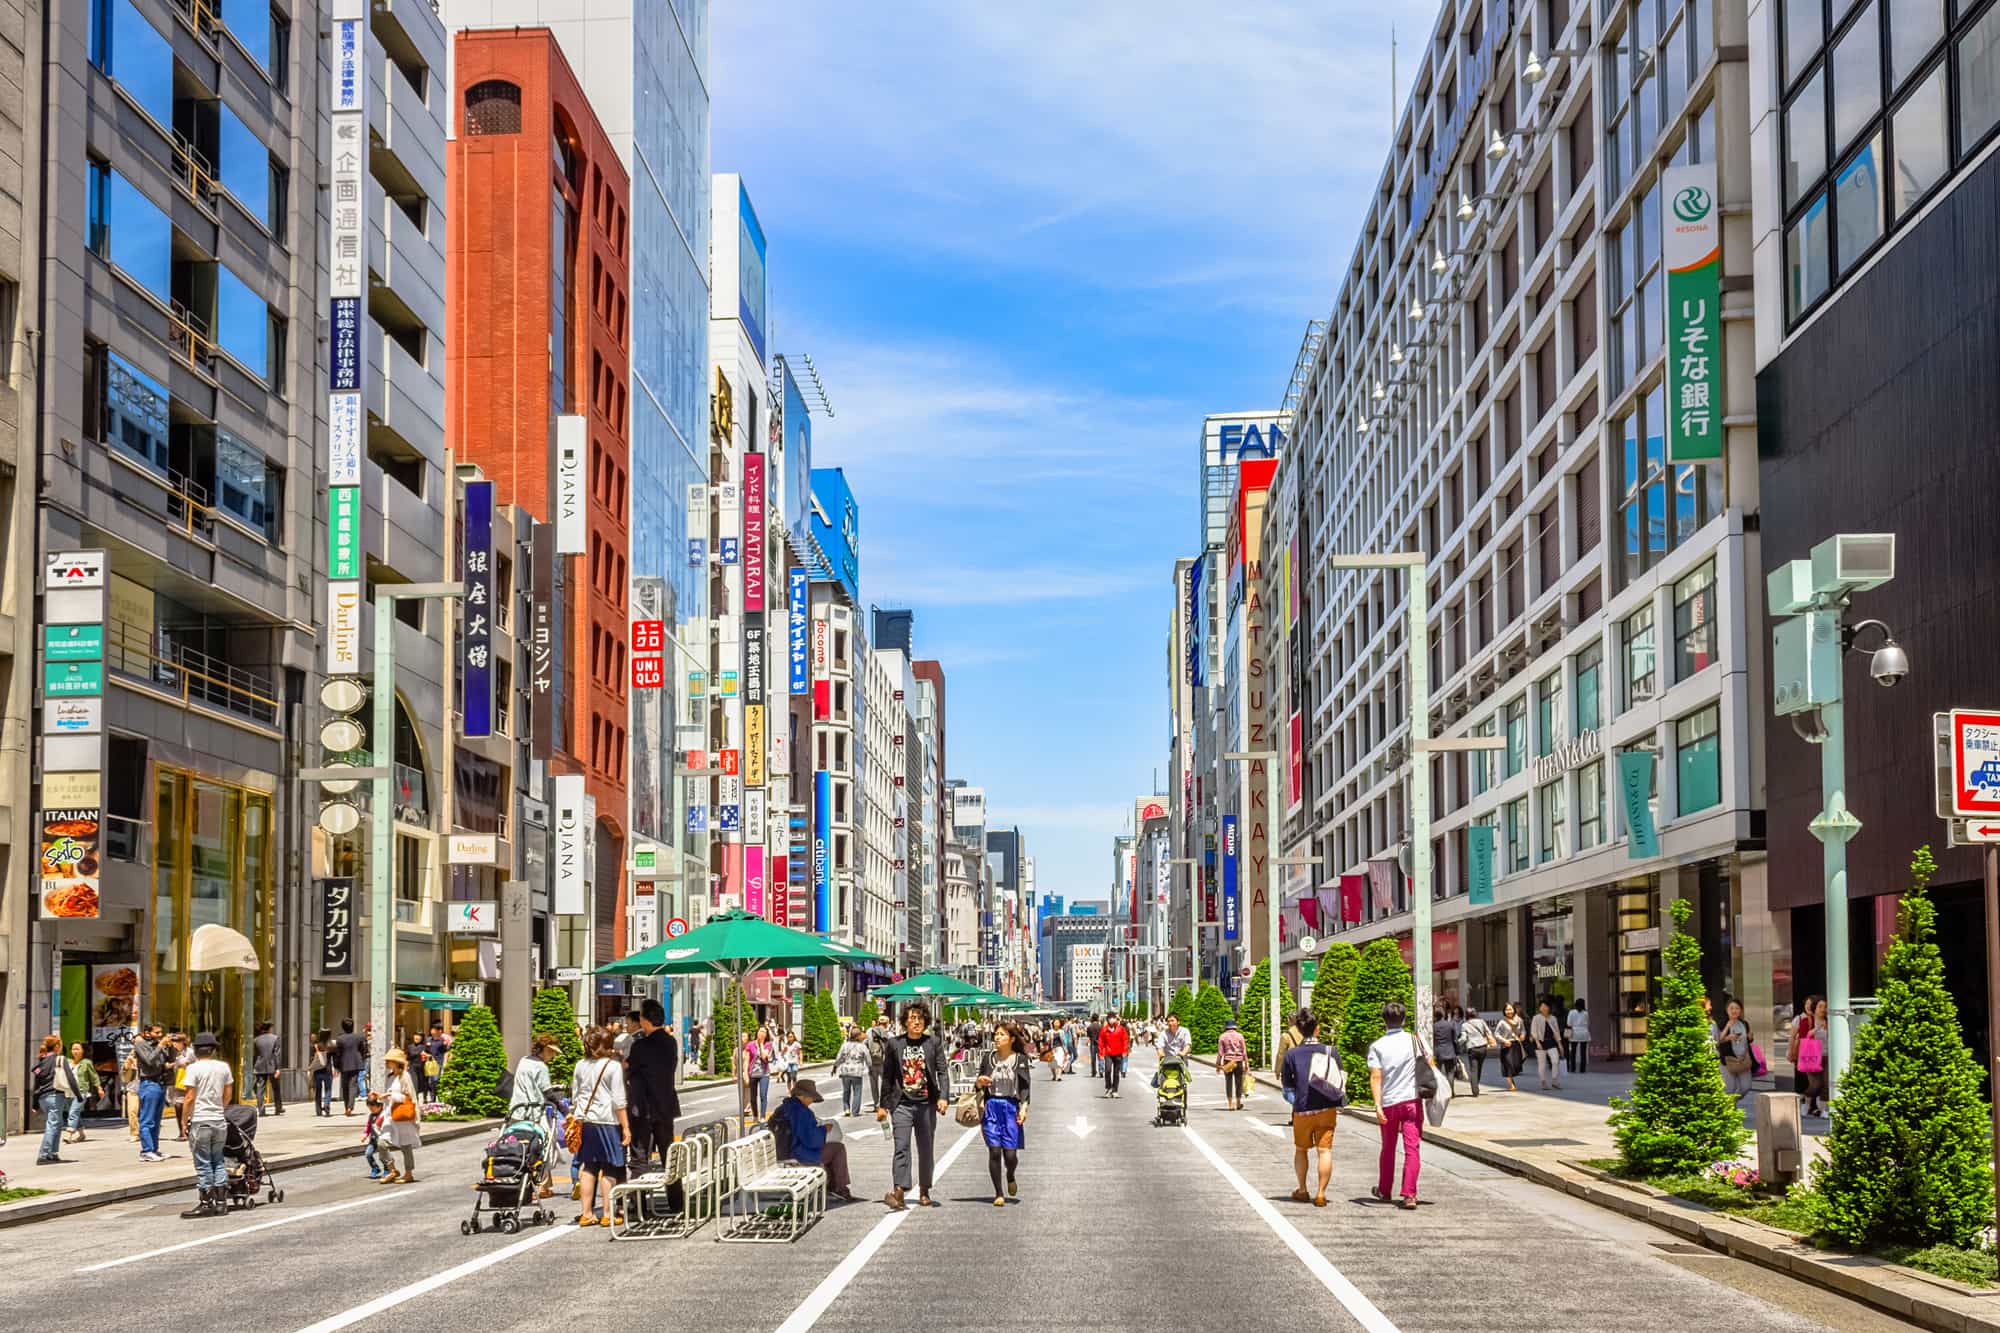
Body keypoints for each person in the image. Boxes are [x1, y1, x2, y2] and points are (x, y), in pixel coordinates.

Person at [875, 1003, 949, 1211]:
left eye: (920, 1019)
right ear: (905, 1022)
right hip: (902, 1104)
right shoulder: (895, 1044)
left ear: (925, 1021)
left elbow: (942, 1072)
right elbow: (888, 1077)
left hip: (926, 1104)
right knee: (901, 1147)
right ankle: (899, 1191)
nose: (916, 1022)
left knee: (926, 1149)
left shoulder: (933, 1042)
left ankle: (924, 1189)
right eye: (912, 1018)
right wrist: (883, 1105)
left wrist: (943, 1096)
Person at [1367, 1002, 1430, 1210]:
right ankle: (1409, 1194)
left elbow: (1376, 1076)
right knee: (1412, 1148)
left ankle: (1385, 1190)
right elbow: (1430, 1065)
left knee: (1388, 1147)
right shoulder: (1415, 1041)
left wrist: (1377, 1104)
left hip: (1388, 1103)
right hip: (1412, 1101)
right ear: (1403, 1019)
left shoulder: (1378, 1045)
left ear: (1383, 1020)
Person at [1280, 1010, 1343, 1206]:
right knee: (1325, 1151)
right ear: (1318, 1029)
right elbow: (1339, 1076)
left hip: (1303, 1109)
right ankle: (1321, 1193)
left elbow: (1287, 1085)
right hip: (1327, 1107)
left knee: (1301, 1149)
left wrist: (1296, 1101)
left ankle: (1302, 1189)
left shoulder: (1291, 1054)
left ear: (1298, 1029)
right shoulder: (1331, 1051)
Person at [570, 1026, 630, 1225]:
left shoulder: (580, 1065)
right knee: (610, 1167)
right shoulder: (612, 1067)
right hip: (607, 1122)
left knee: (589, 1167)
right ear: (605, 1045)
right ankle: (607, 1212)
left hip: (585, 1121)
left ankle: (586, 1213)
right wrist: (626, 1127)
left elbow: (575, 1096)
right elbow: (619, 1101)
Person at [977, 1021, 1032, 1207]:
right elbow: (978, 1084)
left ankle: (1010, 1174)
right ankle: (998, 1192)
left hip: (1011, 1107)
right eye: (996, 1034)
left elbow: (1025, 1087)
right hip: (991, 1106)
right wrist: (979, 1082)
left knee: (1010, 1155)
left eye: (1002, 1035)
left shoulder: (1020, 1060)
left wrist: (1024, 1107)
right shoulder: (988, 1058)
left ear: (1012, 1039)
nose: (997, 1038)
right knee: (994, 1151)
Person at [625, 998, 680, 1183]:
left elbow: (629, 1069)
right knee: (669, 1156)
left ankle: (636, 1204)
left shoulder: (640, 1046)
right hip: (666, 1105)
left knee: (640, 1158)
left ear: (645, 1020)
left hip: (643, 1107)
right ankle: (676, 1200)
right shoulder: (670, 1043)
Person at [770, 1079, 855, 1200]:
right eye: (810, 1097)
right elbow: (811, 1140)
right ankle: (839, 1187)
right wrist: (824, 1129)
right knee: (837, 1148)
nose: (812, 1101)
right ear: (802, 1096)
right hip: (798, 1153)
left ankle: (831, 1184)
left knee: (830, 1148)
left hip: (781, 1150)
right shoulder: (802, 1112)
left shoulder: (784, 1108)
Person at [179, 1032, 233, 1217]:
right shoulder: (223, 1067)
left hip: (201, 1120)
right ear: (213, 1050)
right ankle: (221, 1202)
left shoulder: (193, 1069)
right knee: (218, 1160)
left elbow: (189, 1097)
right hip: (218, 1120)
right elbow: (228, 1093)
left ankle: (205, 1201)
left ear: (195, 1050)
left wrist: (184, 1119)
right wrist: (220, 1108)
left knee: (202, 1163)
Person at [377, 1047, 423, 1184]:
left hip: (403, 1117)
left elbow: (408, 1097)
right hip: (391, 1115)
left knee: (405, 1146)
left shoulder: (405, 1076)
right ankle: (392, 1169)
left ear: (396, 1062)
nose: (386, 1063)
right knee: (381, 1143)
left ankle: (409, 1173)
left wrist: (391, 1095)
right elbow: (390, 1096)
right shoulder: (391, 1077)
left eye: (389, 1061)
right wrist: (382, 1098)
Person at [31, 1034, 77, 1165]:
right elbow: (70, 1078)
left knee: (57, 1124)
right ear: (57, 1046)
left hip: (43, 1098)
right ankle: (44, 1155)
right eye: (60, 1044)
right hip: (55, 1096)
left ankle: (53, 1153)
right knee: (53, 1124)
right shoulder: (60, 1059)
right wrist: (78, 1095)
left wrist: (35, 1104)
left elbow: (36, 1084)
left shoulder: (42, 1061)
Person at [133, 1023, 171, 1161]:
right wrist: (161, 1046)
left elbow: (168, 1060)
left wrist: (170, 1047)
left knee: (156, 1119)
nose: (160, 1035)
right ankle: (146, 1151)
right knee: (147, 1119)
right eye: (157, 1033)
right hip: (148, 1083)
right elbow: (149, 1060)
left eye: (161, 1033)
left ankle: (154, 1149)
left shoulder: (158, 1046)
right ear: (147, 1033)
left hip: (160, 1083)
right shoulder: (141, 1045)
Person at [63, 1041, 101, 1142]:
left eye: (77, 1049)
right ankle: (81, 1134)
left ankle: (69, 1133)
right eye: (73, 1049)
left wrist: (99, 1088)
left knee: (73, 1111)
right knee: (76, 1113)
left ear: (82, 1051)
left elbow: (93, 1076)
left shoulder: (86, 1063)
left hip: (81, 1091)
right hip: (69, 1091)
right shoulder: (67, 1062)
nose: (75, 1051)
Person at [1797, 997, 1829, 1117]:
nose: (1823, 1009)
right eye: (1820, 1006)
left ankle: (1824, 1110)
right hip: (1812, 1056)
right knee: (1815, 1084)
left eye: (1825, 1007)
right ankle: (1805, 1101)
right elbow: (1803, 1038)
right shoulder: (1807, 1021)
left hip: (1827, 1056)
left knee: (1826, 1083)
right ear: (1814, 1008)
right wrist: (1816, 1029)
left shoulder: (1830, 1020)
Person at [1719, 998, 1755, 1100]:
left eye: (1737, 1008)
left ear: (1741, 1010)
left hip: (1742, 1060)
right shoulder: (1722, 1023)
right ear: (1727, 1010)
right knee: (1730, 1089)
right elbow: (1718, 1040)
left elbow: (1746, 1041)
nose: (1734, 1010)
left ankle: (1732, 1102)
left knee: (1746, 1087)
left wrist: (1750, 1038)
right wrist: (1727, 1033)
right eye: (1731, 1008)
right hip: (1727, 1060)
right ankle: (1729, 1111)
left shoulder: (1744, 1024)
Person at [331, 1018, 368, 1115]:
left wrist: (336, 1066)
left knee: (345, 1086)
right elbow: (363, 1050)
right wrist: (361, 1059)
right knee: (353, 1085)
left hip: (344, 1065)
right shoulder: (359, 1037)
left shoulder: (340, 1039)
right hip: (355, 1064)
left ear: (343, 1027)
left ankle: (347, 1106)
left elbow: (337, 1054)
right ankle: (350, 1107)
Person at [835, 1025, 871, 1116]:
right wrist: (870, 1067)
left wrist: (835, 1067)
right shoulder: (862, 1047)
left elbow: (839, 1057)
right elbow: (868, 1059)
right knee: (857, 1092)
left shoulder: (845, 1045)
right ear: (858, 1036)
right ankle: (855, 1112)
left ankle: (846, 1109)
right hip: (857, 1071)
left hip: (845, 1071)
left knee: (846, 1091)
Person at [1457, 1007, 1493, 1098]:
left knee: (1474, 1069)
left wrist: (1458, 1043)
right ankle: (1476, 1084)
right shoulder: (1481, 1022)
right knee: (1479, 1068)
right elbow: (1488, 1032)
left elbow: (1464, 1038)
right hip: (1483, 1047)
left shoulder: (1464, 1025)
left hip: (1472, 1048)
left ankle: (1475, 1090)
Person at [1530, 1000, 1566, 1090]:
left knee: (1555, 1060)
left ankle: (1554, 1080)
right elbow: (1533, 1032)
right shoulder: (1536, 1018)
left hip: (1551, 1042)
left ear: (1549, 1008)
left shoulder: (1553, 1018)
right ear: (1539, 1008)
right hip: (1540, 1042)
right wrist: (1537, 1043)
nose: (1544, 1008)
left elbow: (1556, 1032)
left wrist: (1560, 1044)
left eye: (1546, 1006)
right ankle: (1543, 1081)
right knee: (1542, 1063)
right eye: (1542, 1006)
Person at [741, 1026, 775, 1120]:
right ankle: (755, 1115)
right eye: (760, 1031)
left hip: (764, 1073)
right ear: (757, 1032)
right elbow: (746, 1061)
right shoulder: (750, 1045)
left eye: (764, 1032)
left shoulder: (768, 1044)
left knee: (763, 1095)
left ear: (766, 1034)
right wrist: (745, 1074)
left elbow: (764, 1057)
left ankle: (763, 1117)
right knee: (752, 1097)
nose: (762, 1033)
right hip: (753, 1073)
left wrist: (760, 1044)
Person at [251, 1021, 283, 1116]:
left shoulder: (256, 1040)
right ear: (269, 1029)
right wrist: (278, 1068)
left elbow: (255, 1055)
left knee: (260, 1089)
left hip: (259, 1066)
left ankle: (261, 1110)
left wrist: (254, 1067)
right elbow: (276, 1055)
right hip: (272, 1066)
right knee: (276, 1088)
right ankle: (278, 1108)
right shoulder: (275, 1038)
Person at [1495, 1001, 1527, 1092]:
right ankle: (1511, 1084)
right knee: (1508, 1064)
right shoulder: (1502, 1022)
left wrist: (1523, 1035)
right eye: (1507, 1010)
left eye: (1510, 1009)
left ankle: (1512, 1076)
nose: (1509, 1011)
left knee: (1516, 1065)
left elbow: (1523, 1030)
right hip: (1506, 1045)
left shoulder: (1519, 1020)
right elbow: (1496, 1034)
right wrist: (1504, 1040)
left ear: (1514, 1010)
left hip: (1516, 1044)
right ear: (1504, 1011)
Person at [1216, 1019, 1249, 1110]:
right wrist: (1246, 1064)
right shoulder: (1240, 1036)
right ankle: (1238, 1102)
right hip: (1238, 1061)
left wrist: (1218, 1065)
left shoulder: (1222, 1037)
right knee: (1239, 1083)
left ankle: (1230, 1104)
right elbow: (1244, 1051)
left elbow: (1220, 1053)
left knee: (1228, 1082)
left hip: (1228, 1061)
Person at [1431, 1005, 1462, 1096]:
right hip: (1450, 1051)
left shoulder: (1433, 1026)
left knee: (1438, 1073)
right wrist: (1457, 1052)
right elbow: (1455, 1040)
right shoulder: (1450, 1025)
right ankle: (1451, 1091)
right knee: (1450, 1073)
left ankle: (1439, 1092)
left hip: (1437, 1052)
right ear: (1443, 1014)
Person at [1097, 1012, 1130, 1098]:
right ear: (1107, 1019)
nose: (1112, 1020)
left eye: (1113, 1018)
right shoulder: (1104, 1030)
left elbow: (1125, 1040)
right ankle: (1108, 1088)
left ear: (1115, 1019)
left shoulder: (1121, 1029)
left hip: (1118, 1053)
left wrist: (1125, 1051)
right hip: (1108, 1053)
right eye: (1110, 1018)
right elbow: (1101, 1042)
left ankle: (1115, 1090)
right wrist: (1101, 1053)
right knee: (1107, 1070)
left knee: (1116, 1073)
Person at [866, 1013, 892, 1109]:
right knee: (886, 1083)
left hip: (872, 1061)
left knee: (874, 1084)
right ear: (887, 1023)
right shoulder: (889, 1034)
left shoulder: (869, 1032)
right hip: (884, 1062)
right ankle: (885, 1103)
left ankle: (876, 1104)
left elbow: (865, 1044)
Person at [361, 1093, 389, 1179]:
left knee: (383, 1156)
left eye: (373, 1108)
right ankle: (375, 1168)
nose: (371, 1110)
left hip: (381, 1139)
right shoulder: (371, 1116)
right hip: (373, 1139)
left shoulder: (383, 1115)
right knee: (368, 1154)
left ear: (380, 1106)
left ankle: (387, 1169)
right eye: (369, 1108)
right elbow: (369, 1126)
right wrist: (365, 1134)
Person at [309, 1032, 333, 1116]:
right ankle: (326, 1105)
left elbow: (311, 1059)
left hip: (317, 1071)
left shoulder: (315, 1046)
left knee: (318, 1091)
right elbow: (335, 1057)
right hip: (327, 1070)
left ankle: (318, 1110)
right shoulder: (330, 1045)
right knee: (328, 1089)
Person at [1565, 999, 1591, 1075]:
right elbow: (1588, 1023)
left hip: (1574, 1032)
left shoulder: (1571, 1012)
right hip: (1584, 1032)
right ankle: (1582, 1069)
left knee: (1573, 1052)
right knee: (1583, 1052)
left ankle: (1572, 1068)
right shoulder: (1586, 1013)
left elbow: (1568, 1023)